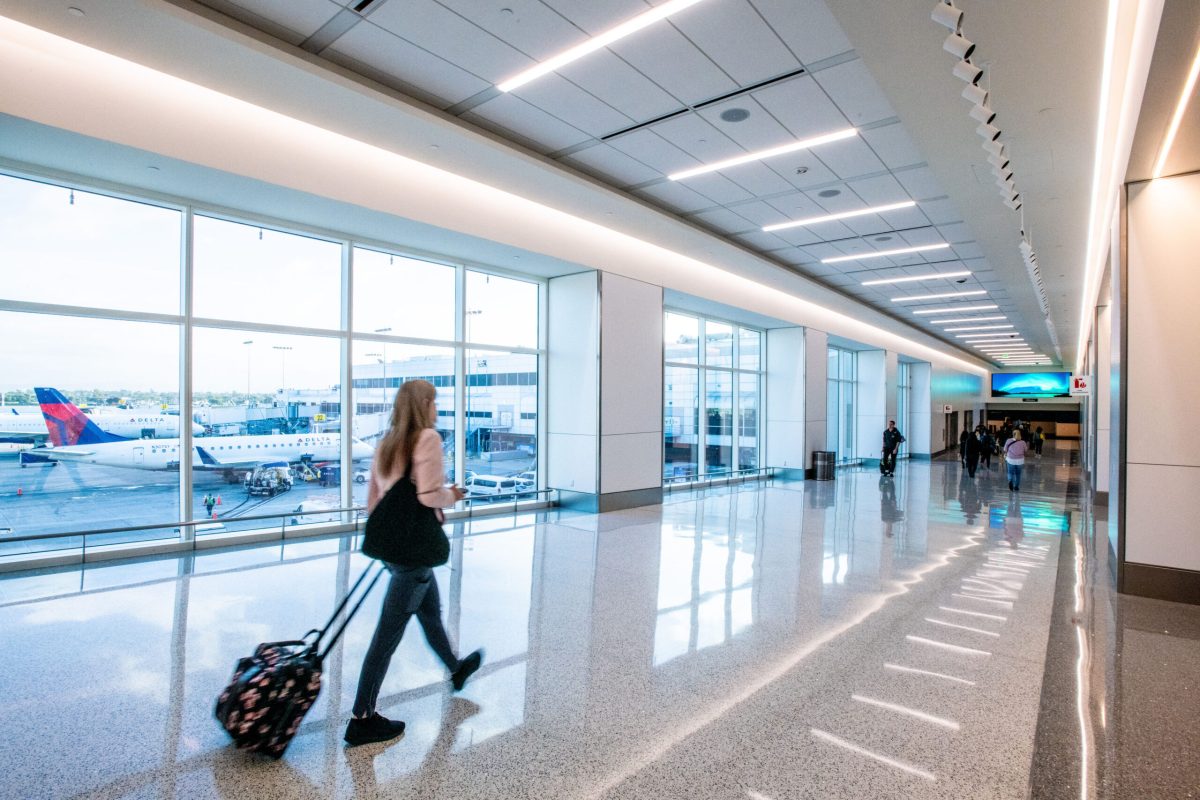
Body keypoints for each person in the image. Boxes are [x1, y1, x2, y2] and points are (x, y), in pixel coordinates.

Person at [346, 379, 483, 747]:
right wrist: (453, 494)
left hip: (395, 550)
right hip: (414, 552)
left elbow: (373, 500)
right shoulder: (427, 439)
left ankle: (456, 670)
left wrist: (388, 545)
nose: (437, 408)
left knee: (430, 613)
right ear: (424, 403)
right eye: (435, 402)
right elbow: (427, 495)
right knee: (386, 637)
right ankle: (362, 717)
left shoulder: (387, 442)